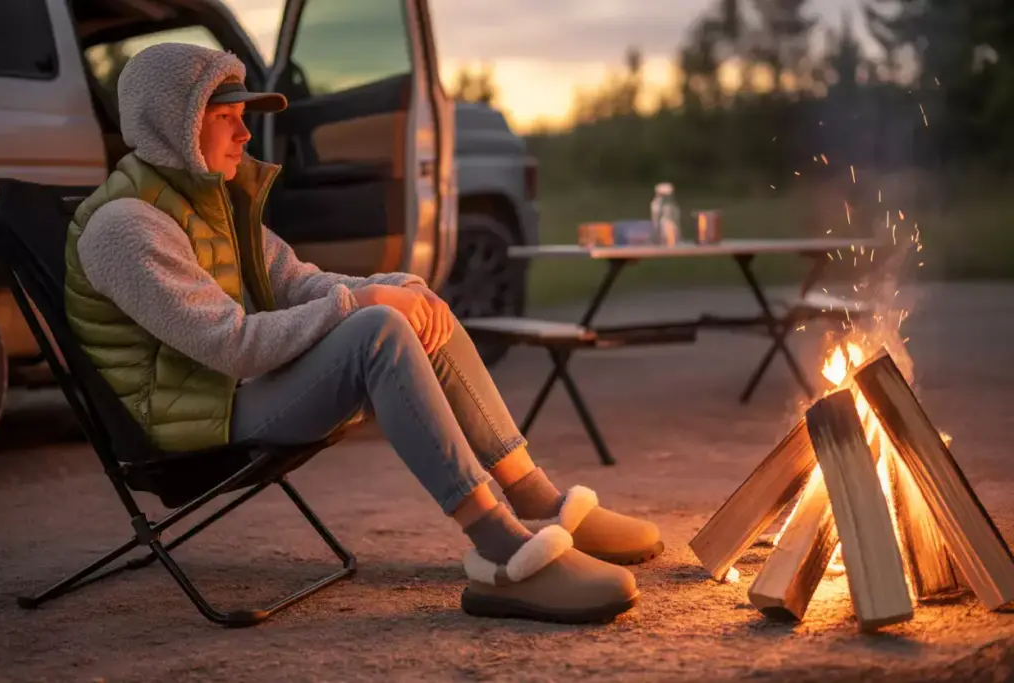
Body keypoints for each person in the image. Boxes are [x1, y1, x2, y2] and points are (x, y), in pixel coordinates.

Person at [64, 43, 663, 624]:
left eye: (243, 117)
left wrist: (394, 284)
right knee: (376, 328)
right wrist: (366, 302)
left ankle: (537, 500)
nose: (245, 135)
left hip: (228, 395)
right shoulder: (126, 227)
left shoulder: (206, 203)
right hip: (190, 429)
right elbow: (230, 343)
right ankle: (505, 552)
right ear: (173, 125)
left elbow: (299, 281)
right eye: (225, 119)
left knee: (416, 306)